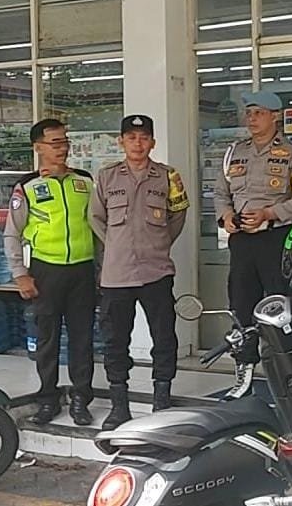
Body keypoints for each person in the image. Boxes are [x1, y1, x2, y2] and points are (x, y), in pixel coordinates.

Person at [213, 91, 292, 399]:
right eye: (249, 112)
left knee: (281, 308)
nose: (252, 118)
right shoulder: (234, 152)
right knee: (241, 307)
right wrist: (226, 216)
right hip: (242, 242)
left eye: (258, 112)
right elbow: (220, 194)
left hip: (275, 239)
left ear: (276, 116)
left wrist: (270, 213)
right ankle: (244, 373)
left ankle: (288, 375)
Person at [90, 115, 189, 430]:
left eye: (144, 137)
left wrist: (158, 243)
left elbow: (178, 215)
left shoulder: (168, 176)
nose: (138, 143)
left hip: (155, 270)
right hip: (116, 274)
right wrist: (116, 245)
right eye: (131, 137)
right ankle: (119, 406)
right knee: (115, 340)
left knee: (164, 337)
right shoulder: (106, 177)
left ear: (153, 142)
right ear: (121, 141)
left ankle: (162, 399)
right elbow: (96, 217)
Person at [4, 119, 97, 426]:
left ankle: (81, 398)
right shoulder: (28, 187)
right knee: (47, 339)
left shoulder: (84, 182)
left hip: (82, 270)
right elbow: (12, 233)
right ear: (38, 148)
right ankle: (48, 399)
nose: (62, 148)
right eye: (55, 143)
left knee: (82, 338)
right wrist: (20, 273)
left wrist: (103, 266)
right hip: (46, 271)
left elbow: (98, 227)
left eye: (65, 142)